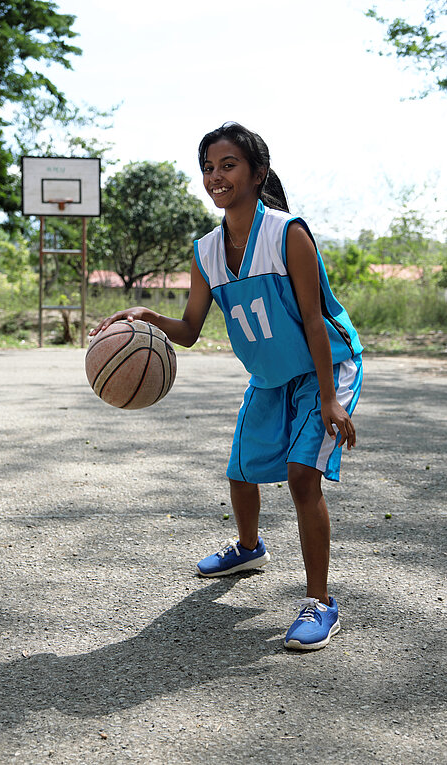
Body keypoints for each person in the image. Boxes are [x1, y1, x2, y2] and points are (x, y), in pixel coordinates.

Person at [90, 122, 363, 651]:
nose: (216, 176)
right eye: (209, 167)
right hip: (270, 375)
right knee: (241, 470)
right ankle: (248, 546)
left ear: (258, 173)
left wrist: (330, 396)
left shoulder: (288, 234)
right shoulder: (207, 252)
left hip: (325, 366)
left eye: (229, 165)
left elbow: (312, 320)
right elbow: (190, 331)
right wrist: (148, 316)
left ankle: (321, 603)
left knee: (301, 476)